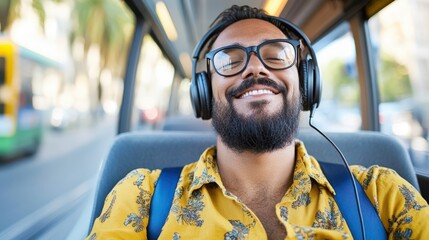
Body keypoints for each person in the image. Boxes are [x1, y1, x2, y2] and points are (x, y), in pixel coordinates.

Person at [87, 5, 429, 239]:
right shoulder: (141, 197)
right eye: (230, 60)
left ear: (306, 81)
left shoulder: (381, 194)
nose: (255, 68)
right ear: (204, 92)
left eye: (276, 55)